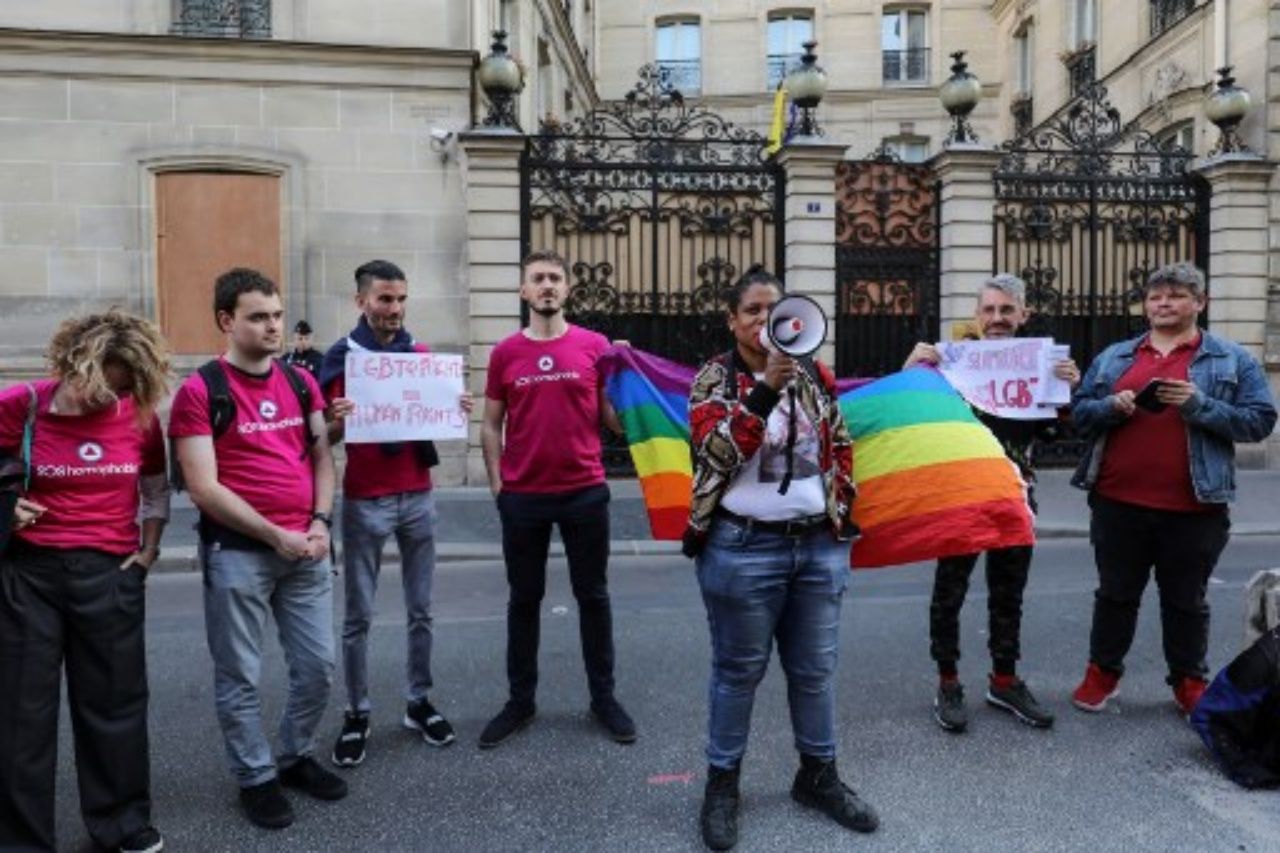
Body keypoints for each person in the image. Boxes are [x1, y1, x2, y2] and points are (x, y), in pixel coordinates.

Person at [684, 266, 876, 851]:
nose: (766, 322)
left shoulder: (815, 374)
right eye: (753, 312)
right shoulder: (713, 378)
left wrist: (841, 510)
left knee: (815, 671)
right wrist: (765, 387)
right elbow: (716, 452)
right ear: (732, 320)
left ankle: (817, 775)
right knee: (738, 672)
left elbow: (839, 442)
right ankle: (723, 785)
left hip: (816, 543)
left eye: (775, 312)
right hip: (743, 546)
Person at [170, 268, 347, 830]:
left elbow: (321, 458)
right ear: (227, 321)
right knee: (239, 675)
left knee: (318, 666)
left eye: (276, 315)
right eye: (258, 317)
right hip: (238, 554)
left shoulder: (301, 382)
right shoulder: (200, 392)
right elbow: (203, 486)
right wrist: (277, 536)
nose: (272, 326)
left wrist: (320, 523)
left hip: (308, 548)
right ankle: (255, 776)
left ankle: (293, 756)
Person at [1070, 261, 1277, 717]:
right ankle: (1102, 674)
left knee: (1186, 599)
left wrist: (1200, 405)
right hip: (1116, 500)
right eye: (1156, 296)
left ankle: (1188, 681)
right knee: (1115, 594)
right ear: (1146, 305)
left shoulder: (1232, 358)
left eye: (1177, 294)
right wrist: (1110, 406)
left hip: (1195, 505)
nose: (1164, 302)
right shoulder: (1115, 357)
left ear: (1199, 303)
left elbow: (1260, 420)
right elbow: (1079, 413)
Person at [0, 311, 170, 853]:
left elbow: (155, 482)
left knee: (115, 706)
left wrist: (148, 549)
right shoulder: (23, 405)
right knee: (21, 714)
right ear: (75, 363)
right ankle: (21, 840)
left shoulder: (137, 414)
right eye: (104, 384)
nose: (110, 399)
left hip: (110, 572)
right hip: (30, 575)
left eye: (123, 387)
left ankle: (121, 824)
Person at [903, 273, 1080, 733]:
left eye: (1006, 311)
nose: (997, 319)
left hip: (1014, 496)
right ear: (977, 316)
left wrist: (1066, 394)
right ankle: (948, 681)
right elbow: (911, 417)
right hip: (959, 496)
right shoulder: (950, 363)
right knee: (949, 594)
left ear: (1024, 315)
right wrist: (910, 372)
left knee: (1008, 593)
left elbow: (1056, 434)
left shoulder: (1041, 363)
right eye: (989, 310)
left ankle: (1004, 679)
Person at [478, 249, 636, 749]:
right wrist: (497, 485)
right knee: (524, 600)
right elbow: (490, 424)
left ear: (567, 290)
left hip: (584, 492)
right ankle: (520, 702)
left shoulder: (594, 346)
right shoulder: (505, 352)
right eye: (537, 279)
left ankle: (603, 699)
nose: (547, 286)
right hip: (523, 497)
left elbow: (614, 421)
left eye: (554, 279)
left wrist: (628, 376)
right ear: (524, 291)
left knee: (594, 597)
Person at [319, 260, 472, 767]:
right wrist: (334, 423)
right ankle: (357, 712)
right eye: (385, 299)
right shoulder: (341, 358)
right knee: (358, 615)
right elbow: (320, 439)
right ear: (361, 301)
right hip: (366, 499)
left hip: (418, 495)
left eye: (401, 299)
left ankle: (417, 702)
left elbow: (434, 410)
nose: (395, 309)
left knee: (421, 609)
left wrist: (455, 405)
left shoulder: (420, 355)